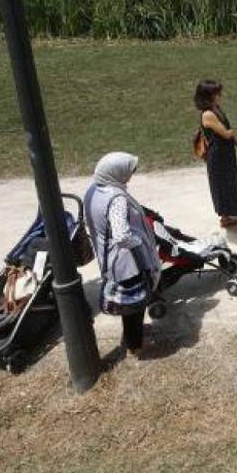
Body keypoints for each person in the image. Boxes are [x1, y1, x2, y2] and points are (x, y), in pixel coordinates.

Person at [84, 152, 160, 357]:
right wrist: (142, 243)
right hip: (127, 262)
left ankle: (132, 336)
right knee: (134, 304)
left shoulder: (94, 190)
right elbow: (121, 235)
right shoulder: (117, 199)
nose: (130, 176)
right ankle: (135, 345)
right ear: (115, 172)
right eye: (128, 172)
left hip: (109, 258)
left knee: (130, 303)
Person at [195, 79, 237, 239]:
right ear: (208, 96)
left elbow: (226, 131)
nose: (219, 95)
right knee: (225, 187)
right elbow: (225, 133)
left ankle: (225, 218)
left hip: (224, 153)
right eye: (216, 93)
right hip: (218, 156)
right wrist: (231, 133)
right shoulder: (208, 114)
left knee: (226, 185)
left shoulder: (215, 109)